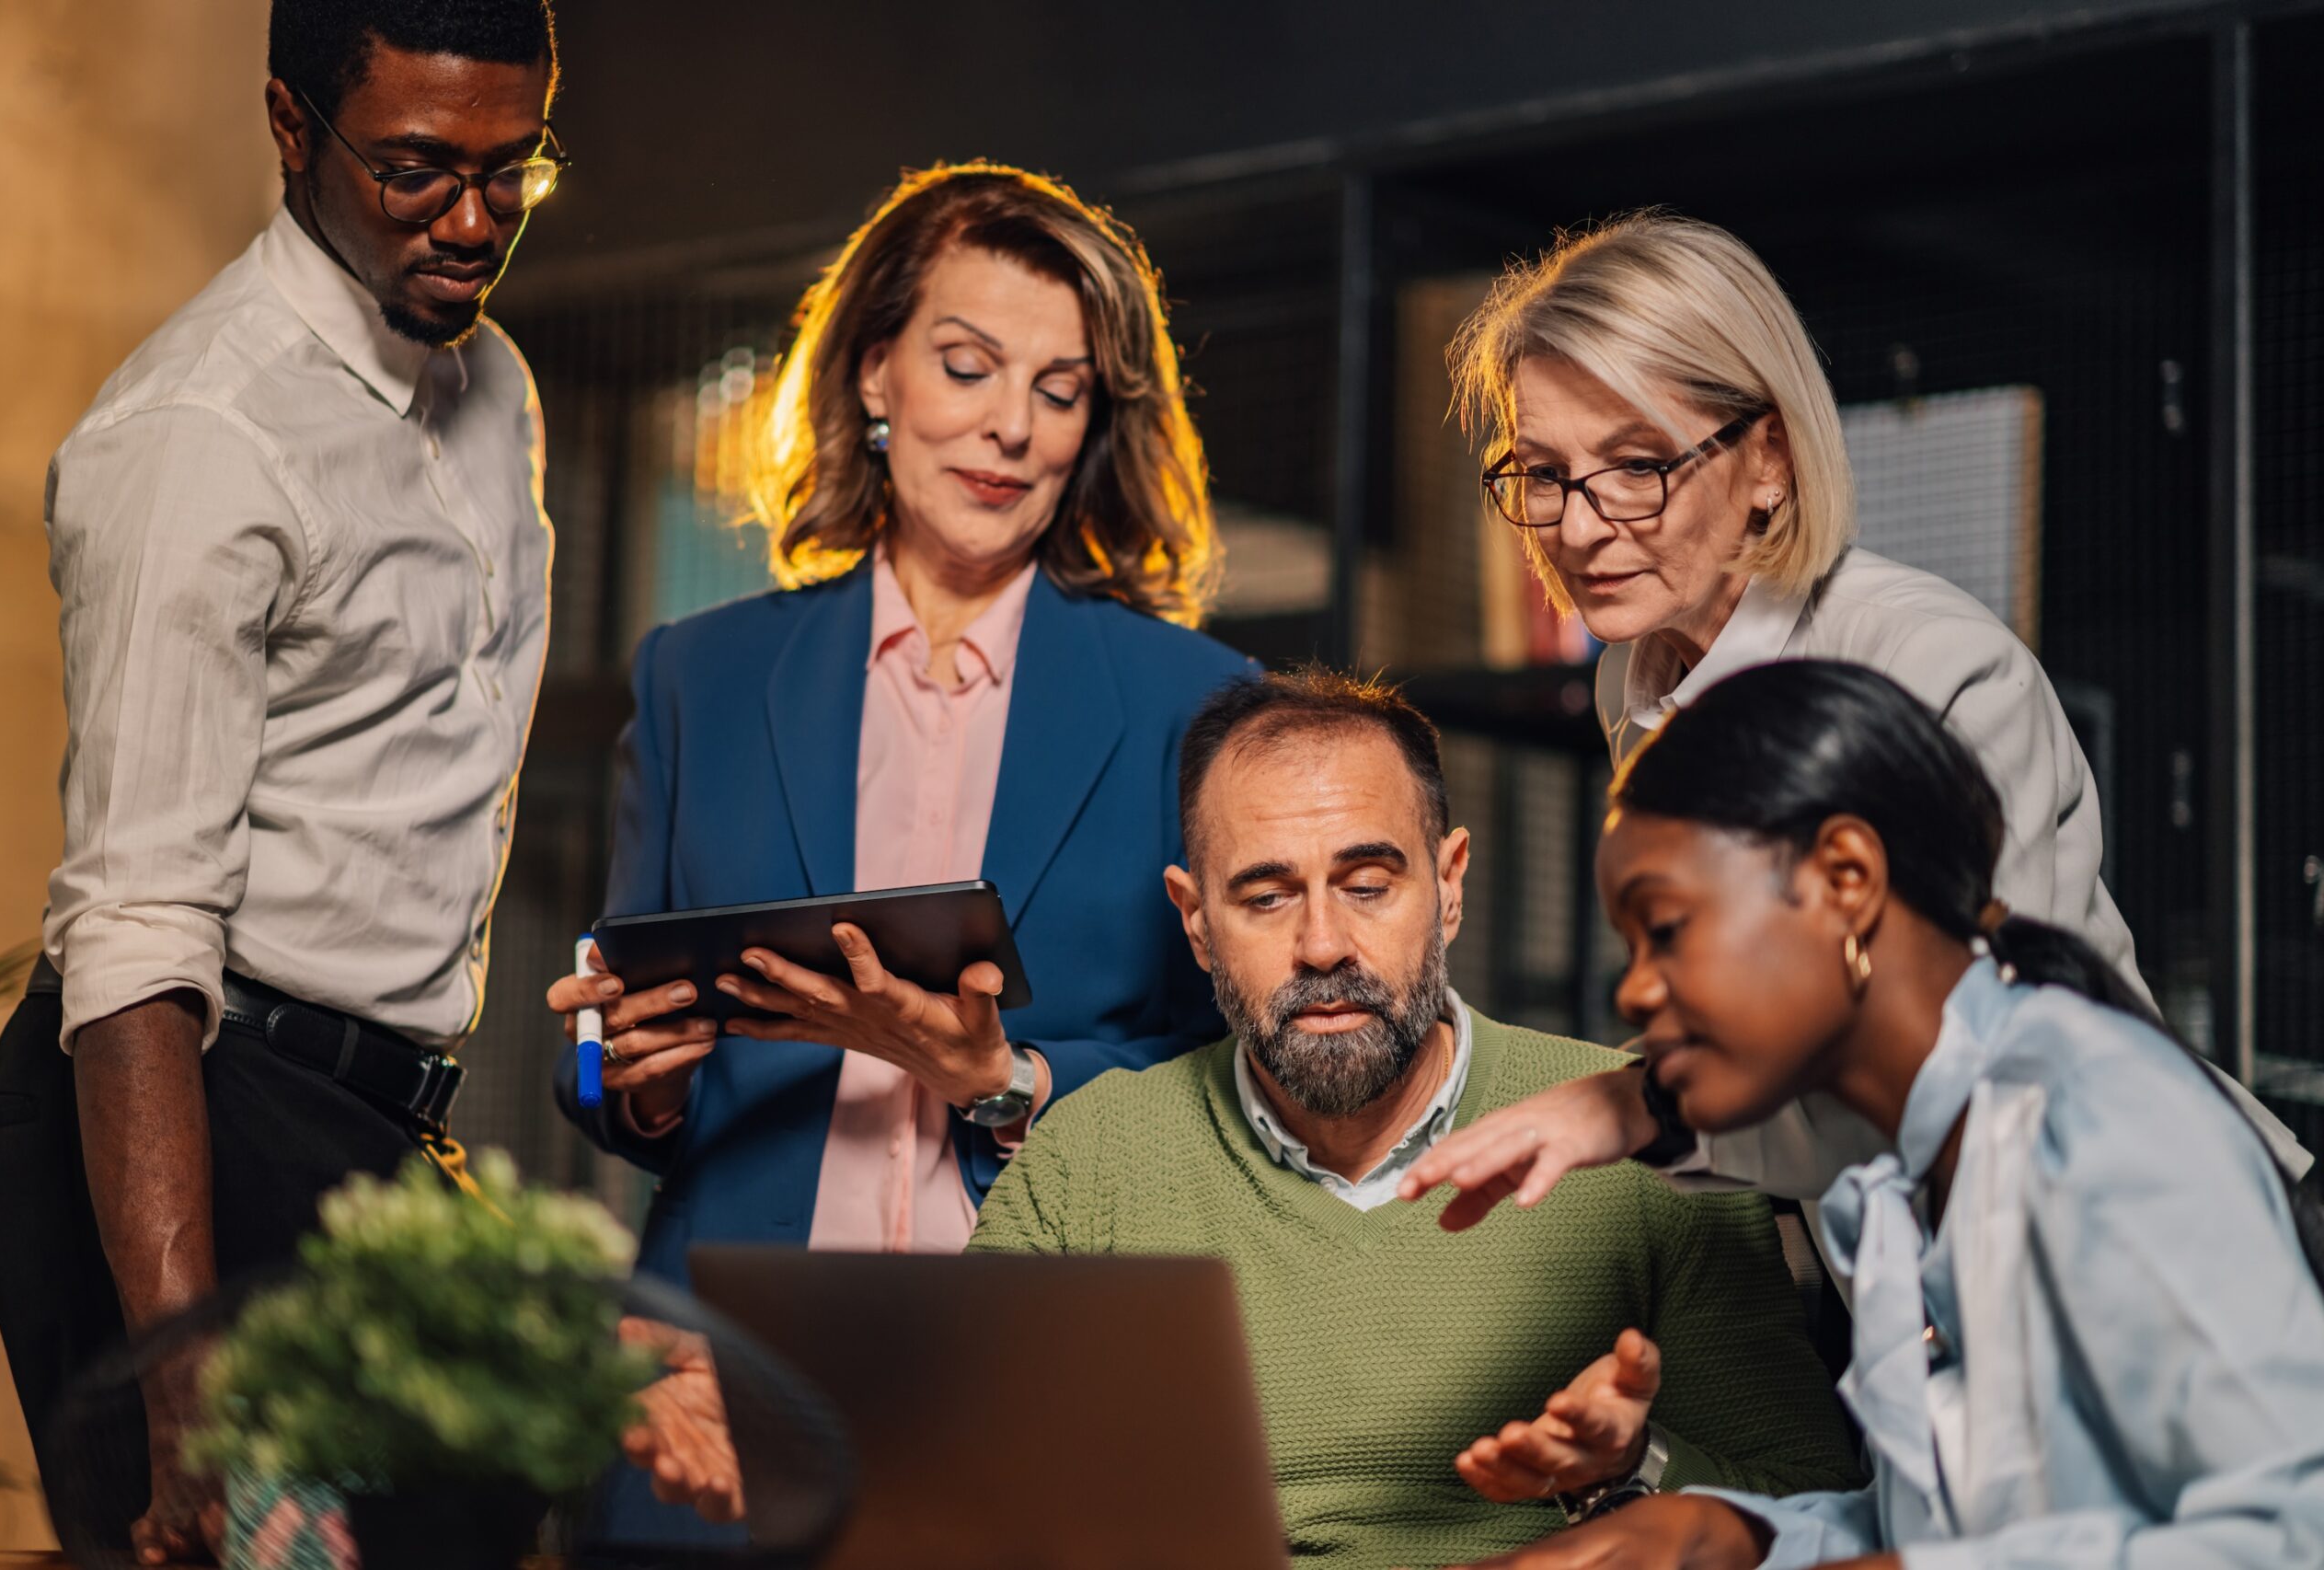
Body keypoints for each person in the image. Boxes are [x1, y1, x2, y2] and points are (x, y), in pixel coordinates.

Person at [543, 163, 1252, 1541]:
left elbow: (1237, 1085)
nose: (1009, 427)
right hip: (714, 1388)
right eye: (968, 365)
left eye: (1059, 389)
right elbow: (612, 1025)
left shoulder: (1197, 704)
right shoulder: (701, 676)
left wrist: (1005, 1073)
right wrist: (625, 1077)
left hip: (1031, 1385)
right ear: (877, 372)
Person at [0, 0, 565, 1559]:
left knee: (498, 1514)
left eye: (516, 172)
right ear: (293, 131)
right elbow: (136, 936)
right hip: (184, 1096)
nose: (475, 219)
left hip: (360, 1120)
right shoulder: (198, 435)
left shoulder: (494, 388)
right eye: (421, 170)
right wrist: (191, 1377)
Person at [1403, 209, 2305, 1218]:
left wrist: (1639, 1103)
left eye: (1636, 466)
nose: (1577, 526)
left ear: (1769, 463)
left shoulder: (1929, 667)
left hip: (2161, 1231)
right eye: (1543, 474)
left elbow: (1968, 1062)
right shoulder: (1639, 674)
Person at [966, 670, 1860, 1570]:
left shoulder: (1648, 1143)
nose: (1322, 944)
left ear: (1450, 881)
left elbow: (1803, 1503)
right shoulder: (1087, 1166)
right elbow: (947, 1489)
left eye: (1366, 883)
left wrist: (1627, 1465)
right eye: (1266, 896)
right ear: (1196, 922)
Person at [1441, 659, 2324, 1569]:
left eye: (1664, 927)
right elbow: (1962, 1531)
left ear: (1846, 877)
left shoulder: (2096, 1114)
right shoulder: (1897, 1183)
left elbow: (2291, 1532)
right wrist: (1719, 1535)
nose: (1631, 989)